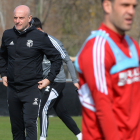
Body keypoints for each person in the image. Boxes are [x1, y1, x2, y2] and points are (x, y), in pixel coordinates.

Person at [74, 0, 140, 140]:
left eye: (134, 6)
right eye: (125, 5)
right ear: (107, 6)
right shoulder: (98, 48)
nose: (131, 11)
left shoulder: (132, 45)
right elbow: (104, 108)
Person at [0, 5, 62, 140]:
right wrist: (3, 74)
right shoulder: (7, 35)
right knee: (16, 128)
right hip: (12, 89)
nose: (17, 21)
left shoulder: (40, 36)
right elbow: (3, 57)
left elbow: (57, 59)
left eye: (21, 18)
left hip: (31, 89)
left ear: (29, 18)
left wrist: (49, 79)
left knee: (30, 124)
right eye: (15, 18)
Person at [32, 17, 82, 140]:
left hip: (56, 82)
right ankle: (81, 136)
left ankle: (42, 138)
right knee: (62, 112)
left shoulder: (53, 42)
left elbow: (67, 61)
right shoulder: (34, 43)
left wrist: (75, 81)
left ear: (38, 30)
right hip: (44, 82)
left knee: (43, 109)